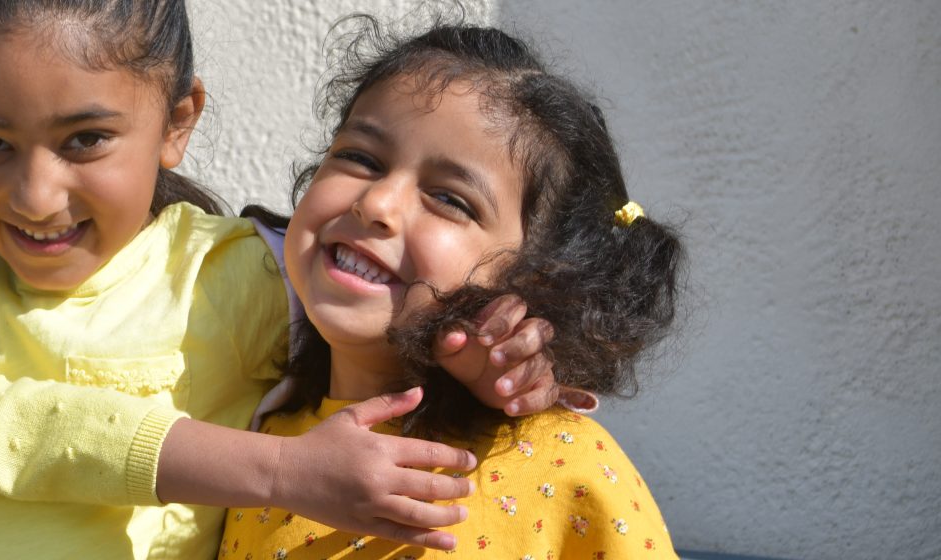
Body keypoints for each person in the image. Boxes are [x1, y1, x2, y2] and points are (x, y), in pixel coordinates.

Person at [0, 2, 574, 557]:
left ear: (178, 121)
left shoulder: (237, 275)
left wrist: (485, 353)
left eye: (84, 141)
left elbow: (378, 306)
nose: (35, 197)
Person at [217, 21, 684, 559]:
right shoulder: (249, 436)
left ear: (535, 279)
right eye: (360, 158)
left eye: (451, 199)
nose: (376, 204)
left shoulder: (572, 468)